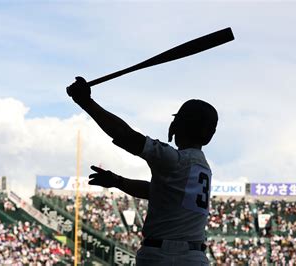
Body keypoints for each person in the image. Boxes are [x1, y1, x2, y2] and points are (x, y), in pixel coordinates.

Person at [67, 77, 218, 266]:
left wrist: (86, 103)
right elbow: (155, 191)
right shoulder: (202, 166)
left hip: (162, 256)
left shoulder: (174, 159)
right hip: (195, 258)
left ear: (178, 126)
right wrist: (119, 181)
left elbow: (125, 135)